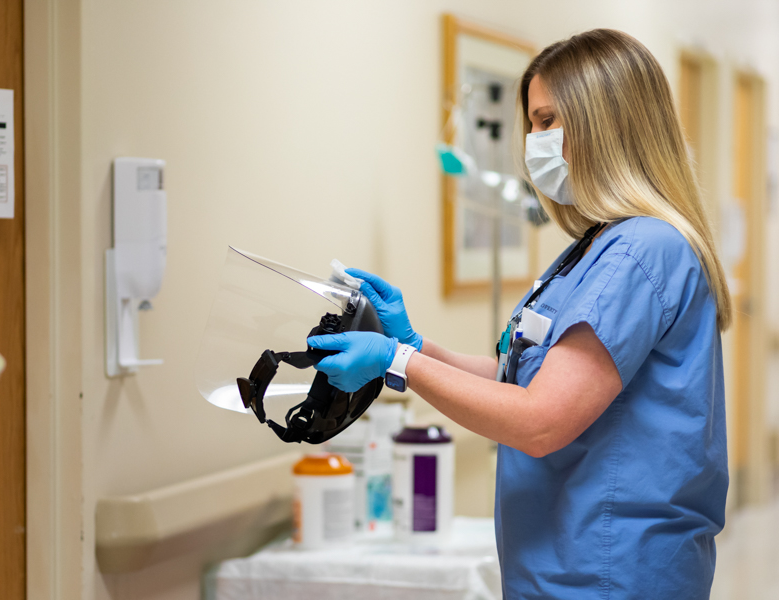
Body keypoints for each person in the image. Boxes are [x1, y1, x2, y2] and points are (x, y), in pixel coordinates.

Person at [307, 29, 730, 599]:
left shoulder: (643, 249)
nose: (536, 141)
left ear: (607, 124)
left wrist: (398, 360)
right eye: (533, 123)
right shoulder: (592, 247)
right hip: (564, 567)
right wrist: (416, 345)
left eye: (551, 120)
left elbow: (540, 420)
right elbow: (528, 381)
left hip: (611, 574)